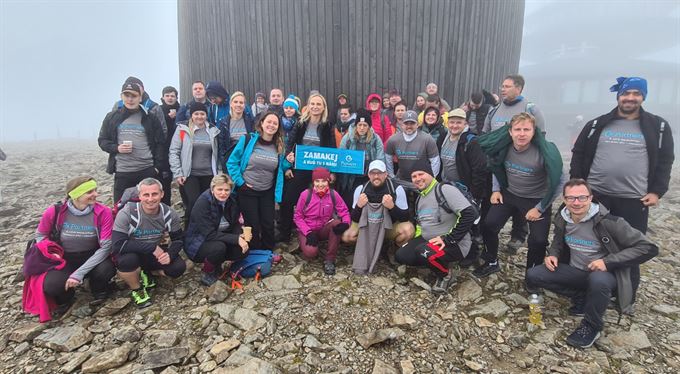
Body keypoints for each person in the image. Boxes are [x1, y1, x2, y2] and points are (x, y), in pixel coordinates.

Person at [570, 76, 674, 299]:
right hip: (596, 196)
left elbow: (665, 160)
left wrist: (657, 191)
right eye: (626, 94)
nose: (630, 98)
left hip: (633, 198)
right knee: (590, 242)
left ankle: (625, 295)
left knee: (631, 247)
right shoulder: (598, 124)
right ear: (618, 96)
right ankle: (587, 288)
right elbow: (578, 153)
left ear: (643, 97)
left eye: (636, 94)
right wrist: (577, 186)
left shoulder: (658, 126)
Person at [526, 178, 658, 349]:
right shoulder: (563, 218)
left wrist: (607, 262)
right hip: (577, 272)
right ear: (564, 199)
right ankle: (582, 297)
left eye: (582, 197)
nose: (576, 202)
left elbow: (648, 248)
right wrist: (553, 254)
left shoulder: (610, 222)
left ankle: (592, 325)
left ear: (590, 198)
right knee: (534, 275)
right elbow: (558, 241)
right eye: (571, 198)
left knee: (598, 280)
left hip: (606, 275)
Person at [474, 113, 564, 287]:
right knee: (489, 225)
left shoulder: (545, 152)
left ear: (534, 132)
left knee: (538, 240)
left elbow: (559, 181)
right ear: (510, 132)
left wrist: (540, 207)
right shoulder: (504, 147)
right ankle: (491, 261)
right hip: (509, 194)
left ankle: (533, 276)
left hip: (536, 199)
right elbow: (495, 165)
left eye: (526, 129)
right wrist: (496, 189)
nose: (521, 134)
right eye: (517, 129)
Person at [23, 177, 115, 322]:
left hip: (92, 255)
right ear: (76, 195)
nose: (96, 194)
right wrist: (51, 251)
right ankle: (67, 296)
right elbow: (41, 235)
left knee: (106, 269)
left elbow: (106, 247)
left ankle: (97, 288)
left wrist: (79, 274)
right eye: (89, 192)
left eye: (95, 190)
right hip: (63, 258)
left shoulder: (103, 212)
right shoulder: (56, 211)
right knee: (52, 285)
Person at [482, 74, 546, 252]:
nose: (502, 89)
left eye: (507, 86)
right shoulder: (494, 109)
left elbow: (541, 137)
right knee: (495, 197)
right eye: (502, 86)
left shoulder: (530, 108)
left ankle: (518, 235)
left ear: (519, 88)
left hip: (521, 164)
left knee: (520, 202)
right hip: (496, 163)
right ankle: (489, 234)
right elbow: (485, 133)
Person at [395, 161, 476, 293]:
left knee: (423, 252)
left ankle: (445, 274)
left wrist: (448, 239)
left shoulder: (444, 190)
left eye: (421, 174)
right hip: (430, 240)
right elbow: (421, 224)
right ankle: (434, 260)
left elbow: (469, 214)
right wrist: (414, 242)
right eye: (414, 176)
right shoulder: (420, 197)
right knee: (401, 256)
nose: (418, 179)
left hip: (454, 242)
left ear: (431, 174)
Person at [112, 178, 185, 308]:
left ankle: (148, 272)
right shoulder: (128, 212)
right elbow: (118, 244)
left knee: (178, 268)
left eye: (154, 194)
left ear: (162, 194)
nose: (150, 199)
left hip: (153, 252)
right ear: (139, 195)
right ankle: (137, 289)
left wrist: (171, 254)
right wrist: (151, 247)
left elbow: (178, 239)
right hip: (132, 252)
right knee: (127, 261)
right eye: (146, 195)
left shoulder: (169, 213)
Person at [278, 93, 335, 242]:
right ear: (308, 106)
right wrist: (288, 164)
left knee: (319, 200)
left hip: (319, 170)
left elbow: (332, 149)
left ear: (323, 108)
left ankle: (318, 232)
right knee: (288, 198)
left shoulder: (327, 125)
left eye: (318, 104)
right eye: (313, 104)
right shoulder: (300, 123)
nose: (315, 107)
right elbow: (290, 144)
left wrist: (332, 172)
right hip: (300, 167)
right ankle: (285, 232)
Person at [228, 111, 288, 250]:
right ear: (262, 123)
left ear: (278, 127)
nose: (271, 125)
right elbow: (232, 162)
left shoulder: (279, 146)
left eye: (275, 123)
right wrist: (241, 183)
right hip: (247, 190)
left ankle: (268, 253)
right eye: (269, 122)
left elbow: (280, 167)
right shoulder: (248, 139)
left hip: (267, 191)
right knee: (252, 225)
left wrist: (288, 163)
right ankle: (254, 253)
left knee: (268, 224)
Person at [98, 80, 166, 203]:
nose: (130, 99)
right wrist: (116, 148)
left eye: (134, 96)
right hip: (123, 170)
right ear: (121, 97)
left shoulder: (150, 117)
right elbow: (102, 140)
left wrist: (157, 167)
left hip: (146, 169)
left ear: (140, 98)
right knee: (120, 208)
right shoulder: (112, 117)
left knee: (149, 206)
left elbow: (161, 142)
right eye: (127, 95)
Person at [343, 160, 414, 274]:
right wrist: (359, 206)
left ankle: (391, 248)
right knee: (348, 236)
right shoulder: (360, 189)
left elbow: (405, 217)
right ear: (368, 175)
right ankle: (363, 251)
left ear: (386, 174)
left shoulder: (396, 189)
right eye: (373, 173)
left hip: (388, 227)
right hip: (366, 227)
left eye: (379, 173)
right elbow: (354, 218)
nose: (376, 176)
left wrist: (392, 207)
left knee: (408, 230)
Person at [439, 108, 490, 264]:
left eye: (458, 122)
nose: (454, 126)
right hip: (448, 186)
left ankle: (472, 253)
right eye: (452, 122)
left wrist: (475, 194)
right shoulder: (444, 137)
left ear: (465, 123)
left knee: (471, 219)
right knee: (456, 218)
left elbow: (479, 169)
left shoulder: (471, 141)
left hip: (466, 189)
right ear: (447, 123)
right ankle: (457, 248)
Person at [184, 174, 251, 286]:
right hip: (198, 243)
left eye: (227, 190)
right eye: (219, 189)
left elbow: (234, 223)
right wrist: (236, 239)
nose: (223, 193)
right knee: (219, 248)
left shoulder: (231, 201)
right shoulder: (203, 203)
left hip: (220, 236)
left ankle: (219, 265)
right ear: (212, 189)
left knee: (243, 248)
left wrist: (241, 235)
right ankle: (208, 271)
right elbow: (209, 234)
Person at [293, 167, 351, 275]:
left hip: (323, 228)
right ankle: (304, 243)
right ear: (313, 182)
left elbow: (344, 211)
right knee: (311, 253)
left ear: (328, 181)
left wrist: (346, 223)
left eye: (324, 181)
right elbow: (298, 217)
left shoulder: (333, 194)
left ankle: (330, 259)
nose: (320, 184)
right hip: (308, 230)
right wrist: (308, 232)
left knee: (337, 224)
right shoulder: (305, 195)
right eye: (317, 181)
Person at [169, 101, 220, 222]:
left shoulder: (213, 130)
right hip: (190, 174)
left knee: (208, 204)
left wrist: (219, 173)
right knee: (193, 202)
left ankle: (206, 235)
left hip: (209, 174)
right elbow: (174, 152)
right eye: (196, 113)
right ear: (191, 115)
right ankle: (188, 233)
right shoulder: (182, 130)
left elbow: (217, 154)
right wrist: (178, 173)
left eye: (202, 113)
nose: (199, 116)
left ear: (206, 115)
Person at [337, 108, 385, 207]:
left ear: (369, 126)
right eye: (359, 125)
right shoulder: (347, 138)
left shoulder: (376, 139)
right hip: (351, 178)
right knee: (350, 202)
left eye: (365, 125)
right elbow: (340, 157)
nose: (362, 128)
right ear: (356, 125)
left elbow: (380, 159)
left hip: (369, 176)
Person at [384, 110, 441, 186]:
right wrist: (392, 176)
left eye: (412, 123)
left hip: (422, 181)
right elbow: (388, 159)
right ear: (402, 125)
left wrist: (431, 179)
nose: (409, 126)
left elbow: (435, 161)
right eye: (406, 123)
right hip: (402, 180)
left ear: (417, 124)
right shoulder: (393, 140)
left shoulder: (427, 139)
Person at [217, 92, 256, 169]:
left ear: (244, 106)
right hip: (230, 161)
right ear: (231, 104)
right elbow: (221, 147)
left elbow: (254, 141)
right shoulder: (223, 122)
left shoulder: (250, 121)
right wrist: (224, 163)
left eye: (241, 102)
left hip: (246, 161)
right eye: (235, 102)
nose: (238, 105)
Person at [159, 86, 180, 205]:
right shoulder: (159, 110)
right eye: (167, 95)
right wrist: (168, 118)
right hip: (164, 152)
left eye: (172, 96)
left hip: (179, 150)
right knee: (164, 184)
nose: (170, 98)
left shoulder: (181, 110)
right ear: (163, 97)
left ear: (176, 97)